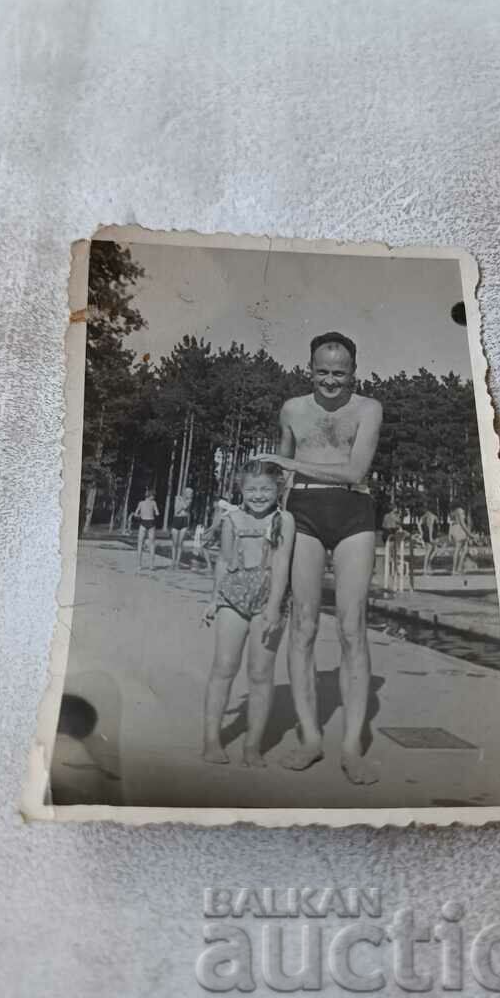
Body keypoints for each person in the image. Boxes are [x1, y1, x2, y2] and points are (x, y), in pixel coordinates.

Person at [257, 331, 383, 786]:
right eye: (322, 372)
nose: (331, 381)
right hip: (303, 512)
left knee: (353, 626)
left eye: (340, 373)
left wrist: (288, 465)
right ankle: (311, 737)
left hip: (353, 510)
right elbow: (279, 471)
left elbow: (355, 471)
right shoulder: (292, 409)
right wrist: (272, 515)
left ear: (354, 372)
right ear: (309, 369)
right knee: (303, 624)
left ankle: (351, 746)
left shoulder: (369, 409)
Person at [202, 461, 295, 768]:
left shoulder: (285, 520)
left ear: (277, 490)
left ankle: (252, 746)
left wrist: (273, 607)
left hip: (269, 599)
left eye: (266, 489)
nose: (258, 495)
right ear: (241, 490)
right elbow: (224, 561)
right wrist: (214, 599)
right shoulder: (231, 519)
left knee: (260, 673)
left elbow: (281, 565)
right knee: (224, 667)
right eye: (252, 489)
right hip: (233, 596)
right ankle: (212, 740)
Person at [134, 488, 159, 572]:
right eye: (154, 495)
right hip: (151, 523)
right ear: (150, 496)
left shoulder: (141, 503)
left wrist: (140, 514)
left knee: (140, 544)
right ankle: (151, 565)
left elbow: (136, 514)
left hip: (143, 522)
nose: (154, 497)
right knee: (152, 544)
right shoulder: (153, 503)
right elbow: (157, 513)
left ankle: (138, 565)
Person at [170, 487, 193, 568]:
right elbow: (176, 510)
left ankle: (177, 562)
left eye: (191, 493)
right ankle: (173, 561)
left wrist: (181, 502)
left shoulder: (189, 500)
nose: (190, 494)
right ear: (184, 492)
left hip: (184, 520)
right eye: (189, 492)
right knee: (174, 543)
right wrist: (181, 504)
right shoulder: (177, 498)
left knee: (180, 543)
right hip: (176, 519)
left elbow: (185, 507)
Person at [449, 502, 473, 575]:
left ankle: (458, 568)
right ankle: (455, 569)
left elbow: (451, 523)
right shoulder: (460, 510)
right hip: (460, 530)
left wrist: (450, 534)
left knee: (464, 549)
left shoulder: (454, 512)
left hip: (456, 529)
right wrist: (469, 534)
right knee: (459, 549)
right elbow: (462, 524)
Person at [420, 507, 438, 574]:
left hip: (426, 533)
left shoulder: (425, 515)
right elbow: (431, 526)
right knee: (430, 551)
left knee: (434, 550)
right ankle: (426, 567)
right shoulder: (432, 516)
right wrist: (431, 537)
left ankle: (428, 566)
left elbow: (419, 524)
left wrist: (421, 532)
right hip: (430, 534)